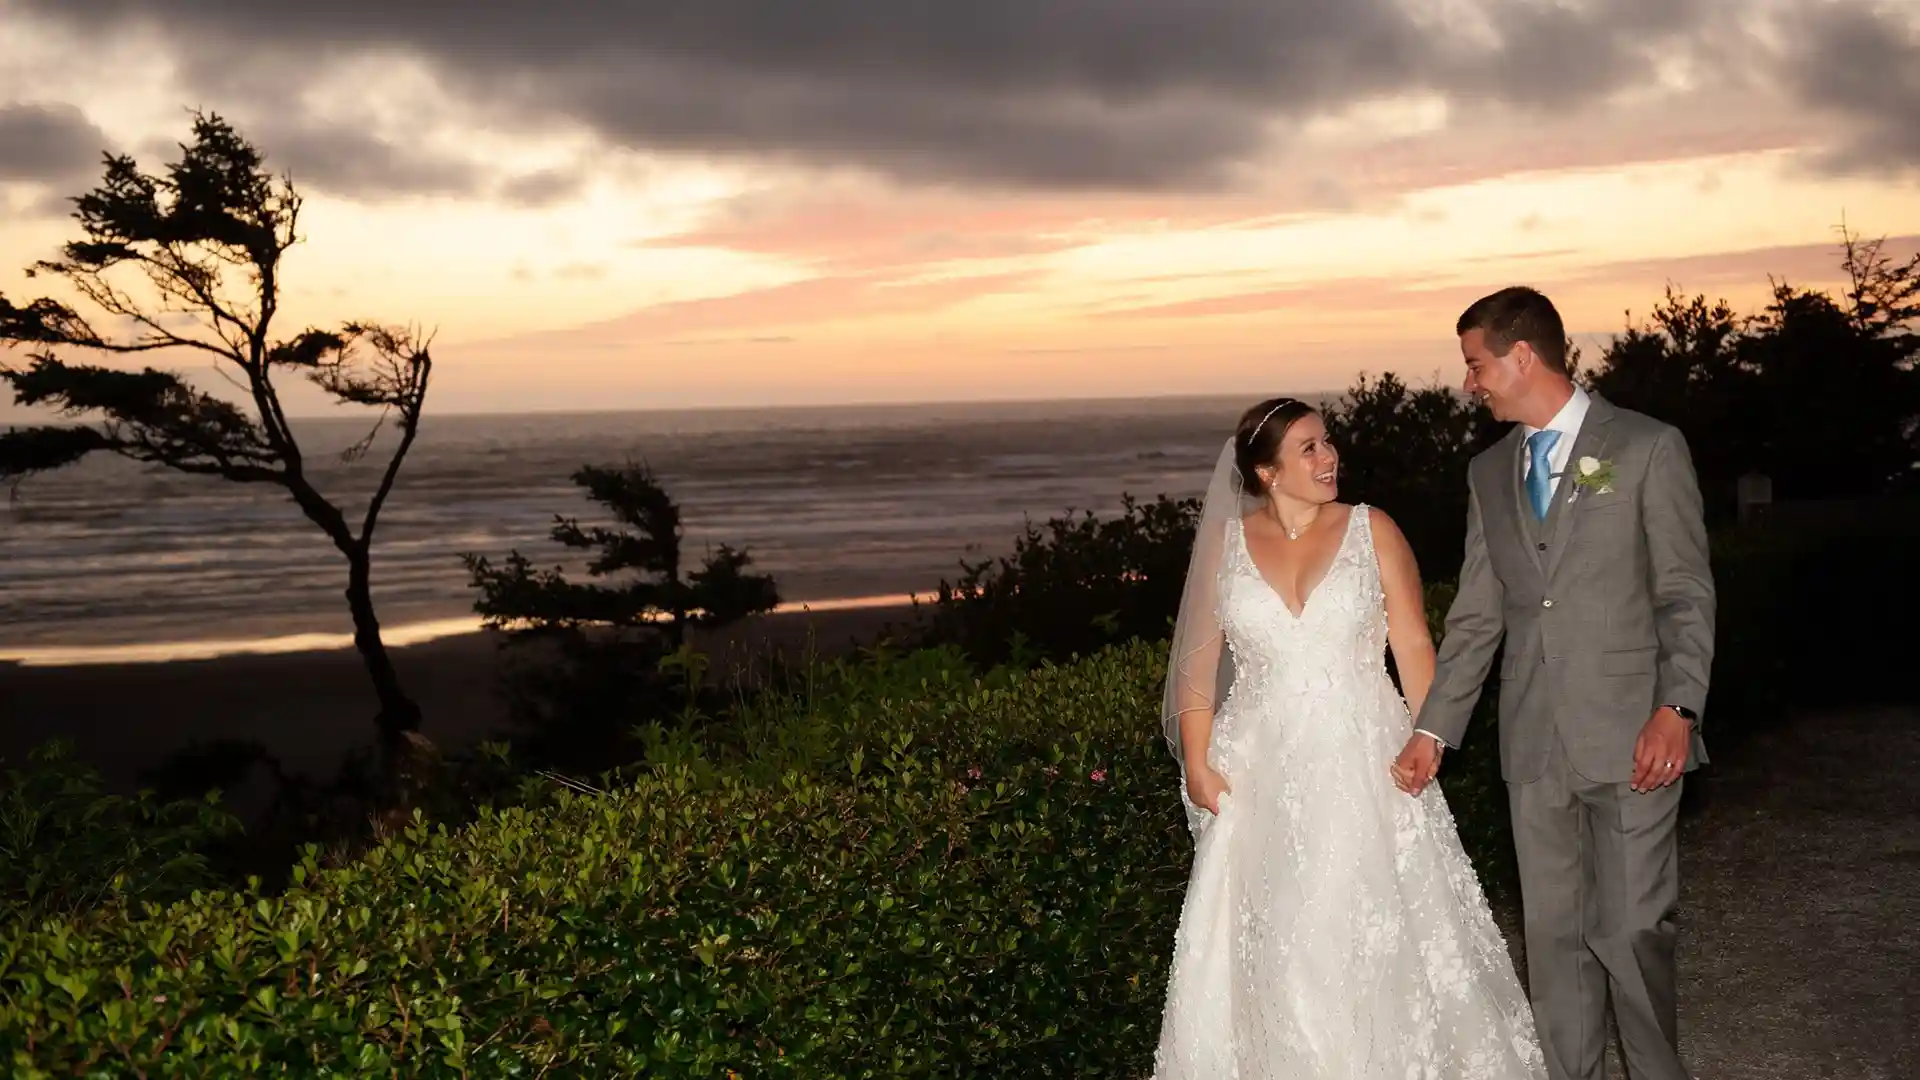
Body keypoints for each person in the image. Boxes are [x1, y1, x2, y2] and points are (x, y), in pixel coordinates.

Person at [1152, 396, 1545, 1079]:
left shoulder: (1373, 529)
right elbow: (1196, 666)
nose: (1329, 457)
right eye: (1308, 448)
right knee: (1274, 938)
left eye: (1327, 442)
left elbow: (1414, 643)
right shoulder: (1225, 543)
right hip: (1257, 771)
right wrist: (1195, 762)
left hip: (1365, 757)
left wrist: (1430, 735)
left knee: (1352, 928)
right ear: (1267, 472)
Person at [1396, 286, 1715, 1080]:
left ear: (1521, 356)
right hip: (1534, 746)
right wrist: (1434, 729)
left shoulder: (1646, 447)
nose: (1470, 383)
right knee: (1554, 937)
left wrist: (1678, 708)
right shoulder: (1487, 471)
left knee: (1635, 929)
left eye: (1476, 365)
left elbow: (1684, 594)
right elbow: (1476, 617)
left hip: (1636, 735)